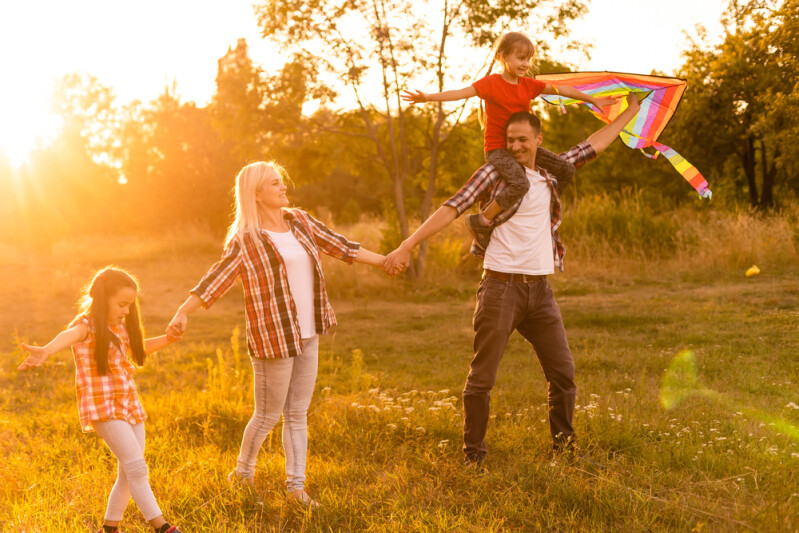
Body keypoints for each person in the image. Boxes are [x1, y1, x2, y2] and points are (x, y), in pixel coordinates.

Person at [383, 94, 642, 467]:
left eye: (523, 139)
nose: (516, 146)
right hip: (500, 288)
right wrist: (407, 245)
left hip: (540, 290)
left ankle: (565, 451)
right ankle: (473, 456)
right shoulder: (496, 173)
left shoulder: (551, 173)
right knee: (482, 378)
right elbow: (453, 206)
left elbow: (593, 145)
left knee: (563, 374)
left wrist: (631, 112)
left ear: (539, 139)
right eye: (511, 140)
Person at [167, 161, 385, 508]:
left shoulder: (301, 221)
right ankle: (241, 475)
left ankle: (296, 489)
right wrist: (182, 311)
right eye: (274, 184)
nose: (284, 187)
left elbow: (342, 247)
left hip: (309, 331)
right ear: (256, 194)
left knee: (298, 413)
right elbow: (216, 280)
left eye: (281, 182)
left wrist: (387, 260)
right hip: (274, 337)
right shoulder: (246, 240)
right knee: (268, 414)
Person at [402, 31, 619, 251]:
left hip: (524, 147)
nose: (526, 64)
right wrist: (427, 97)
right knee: (520, 183)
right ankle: (483, 220)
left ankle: (542, 206)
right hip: (499, 150)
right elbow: (460, 93)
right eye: (521, 58)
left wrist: (592, 99)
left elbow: (562, 90)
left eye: (528, 59)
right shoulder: (491, 83)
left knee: (565, 169)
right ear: (503, 56)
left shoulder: (528, 85)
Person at [17, 267, 184, 533]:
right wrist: (46, 351)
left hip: (128, 404)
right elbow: (67, 336)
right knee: (137, 469)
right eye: (121, 304)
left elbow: (137, 349)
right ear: (103, 297)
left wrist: (168, 338)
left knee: (127, 474)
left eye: (130, 305)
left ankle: (109, 529)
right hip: (102, 406)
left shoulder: (118, 326)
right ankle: (163, 528)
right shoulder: (87, 326)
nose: (126, 311)